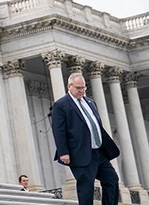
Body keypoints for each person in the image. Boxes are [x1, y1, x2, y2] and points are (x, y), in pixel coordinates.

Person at [52, 72, 121, 205]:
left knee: (112, 179)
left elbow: (96, 124)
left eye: (83, 88)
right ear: (69, 86)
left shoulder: (90, 102)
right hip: (79, 152)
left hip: (99, 152)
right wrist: (63, 151)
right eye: (78, 88)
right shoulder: (61, 105)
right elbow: (58, 130)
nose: (81, 91)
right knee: (86, 187)